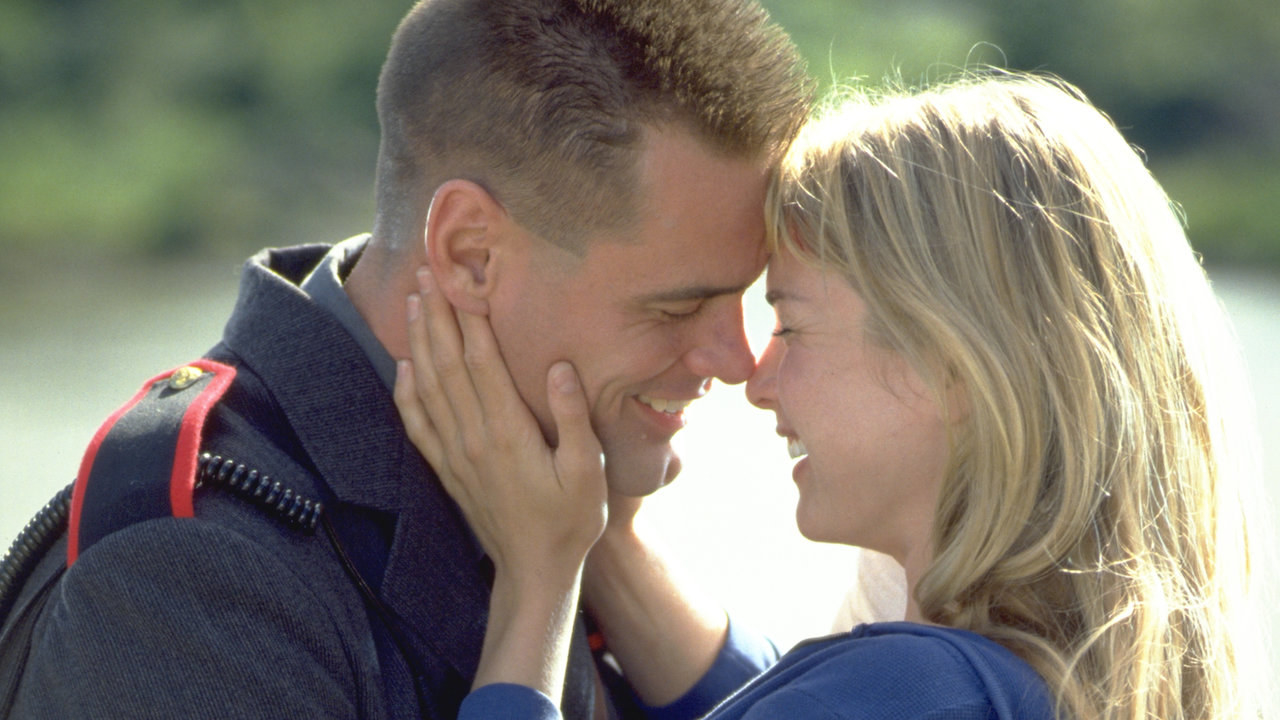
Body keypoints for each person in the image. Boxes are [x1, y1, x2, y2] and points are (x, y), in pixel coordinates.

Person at [2, 1, 813, 718]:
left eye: (742, 298)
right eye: (676, 307)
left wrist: (604, 546)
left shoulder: (550, 498)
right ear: (468, 255)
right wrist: (543, 587)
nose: (739, 361)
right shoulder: (192, 579)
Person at [394, 71, 1267, 719]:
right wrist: (608, 543)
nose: (754, 378)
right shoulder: (1041, 678)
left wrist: (537, 581)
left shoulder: (912, 692)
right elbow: (765, 693)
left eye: (791, 322)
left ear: (954, 362)